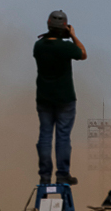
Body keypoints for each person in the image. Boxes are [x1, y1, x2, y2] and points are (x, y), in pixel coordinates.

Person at [34, 10, 88, 186]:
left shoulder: (39, 46)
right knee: (63, 138)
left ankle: (44, 175)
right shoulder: (65, 47)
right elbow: (83, 53)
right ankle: (62, 174)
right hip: (65, 99)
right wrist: (73, 35)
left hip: (44, 99)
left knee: (45, 136)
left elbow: (46, 45)